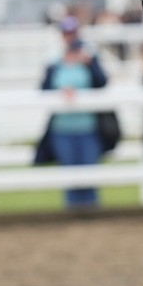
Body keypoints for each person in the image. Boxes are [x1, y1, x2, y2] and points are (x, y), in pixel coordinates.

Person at [40, 17, 108, 209]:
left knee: (89, 175)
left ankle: (92, 212)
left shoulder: (89, 58)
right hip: (62, 128)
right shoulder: (54, 63)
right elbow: (43, 89)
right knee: (70, 176)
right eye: (66, 33)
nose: (69, 37)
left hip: (88, 127)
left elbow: (102, 83)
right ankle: (72, 214)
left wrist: (89, 64)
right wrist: (60, 94)